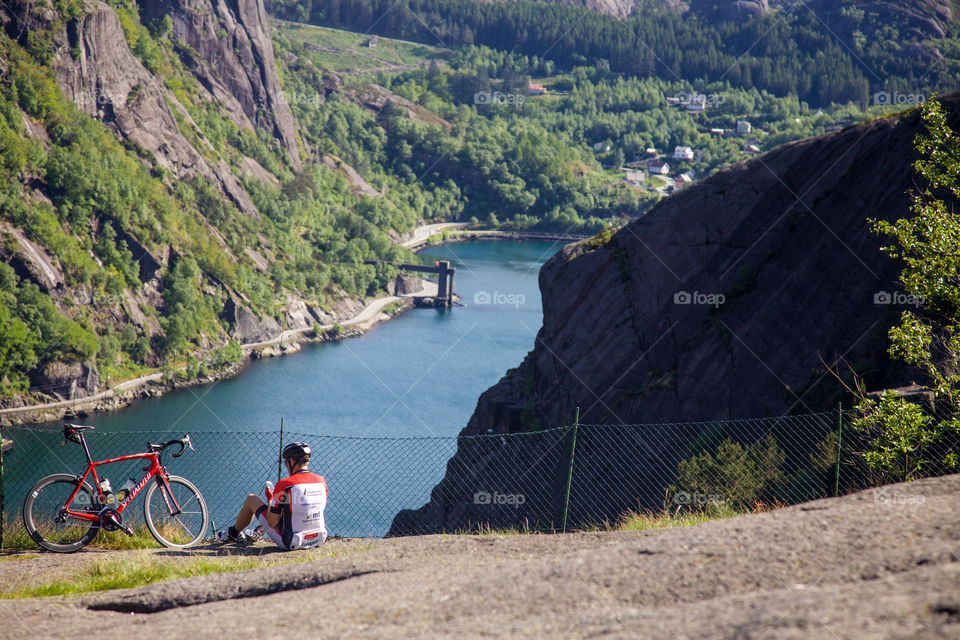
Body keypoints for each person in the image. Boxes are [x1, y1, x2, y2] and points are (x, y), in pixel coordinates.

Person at [217, 441, 328, 549]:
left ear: (292, 461)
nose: (286, 466)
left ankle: (232, 534)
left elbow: (272, 521)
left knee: (252, 499)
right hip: (318, 539)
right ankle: (257, 531)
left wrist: (271, 499)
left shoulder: (285, 484)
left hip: (291, 541)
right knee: (288, 508)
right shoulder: (321, 481)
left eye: (286, 462)